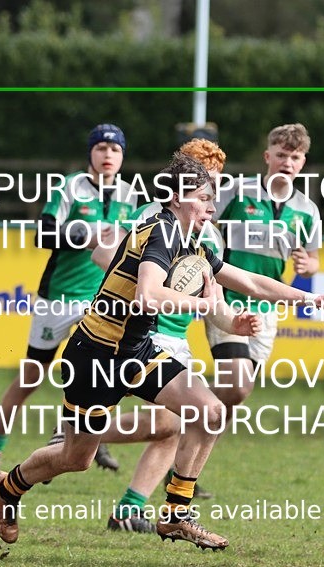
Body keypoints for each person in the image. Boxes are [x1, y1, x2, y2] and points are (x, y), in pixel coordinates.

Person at [0, 152, 324, 551]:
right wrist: (201, 305)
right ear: (177, 198)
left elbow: (248, 280)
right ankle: (7, 486)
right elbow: (148, 294)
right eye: (203, 197)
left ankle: (177, 513)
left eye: (214, 198)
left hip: (138, 351)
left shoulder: (193, 240)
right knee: (76, 458)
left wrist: (313, 299)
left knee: (210, 410)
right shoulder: (160, 230)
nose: (212, 206)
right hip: (94, 354)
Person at [90, 139, 260, 533]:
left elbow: (231, 282)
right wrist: (150, 281)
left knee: (176, 423)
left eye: (215, 183)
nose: (211, 194)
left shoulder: (206, 231)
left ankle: (130, 508)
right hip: (148, 333)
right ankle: (83, 435)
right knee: (181, 418)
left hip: (177, 334)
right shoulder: (155, 216)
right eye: (203, 184)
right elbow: (104, 254)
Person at [0, 123, 136, 478]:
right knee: (30, 377)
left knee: (110, 367)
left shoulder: (130, 195)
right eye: (101, 148)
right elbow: (44, 235)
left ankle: (80, 433)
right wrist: (85, 235)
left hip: (101, 299)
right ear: (90, 154)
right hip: (58, 298)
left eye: (115, 149)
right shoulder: (70, 187)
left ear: (123, 156)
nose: (107, 154)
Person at [205, 123, 321, 413]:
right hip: (227, 299)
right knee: (237, 385)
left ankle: (182, 447)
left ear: (303, 162)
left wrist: (308, 266)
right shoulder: (238, 191)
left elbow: (313, 261)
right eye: (282, 155)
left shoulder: (307, 210)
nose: (288, 162)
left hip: (267, 308)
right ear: (267, 156)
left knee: (232, 400)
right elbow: (201, 222)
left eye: (295, 157)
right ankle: (180, 410)